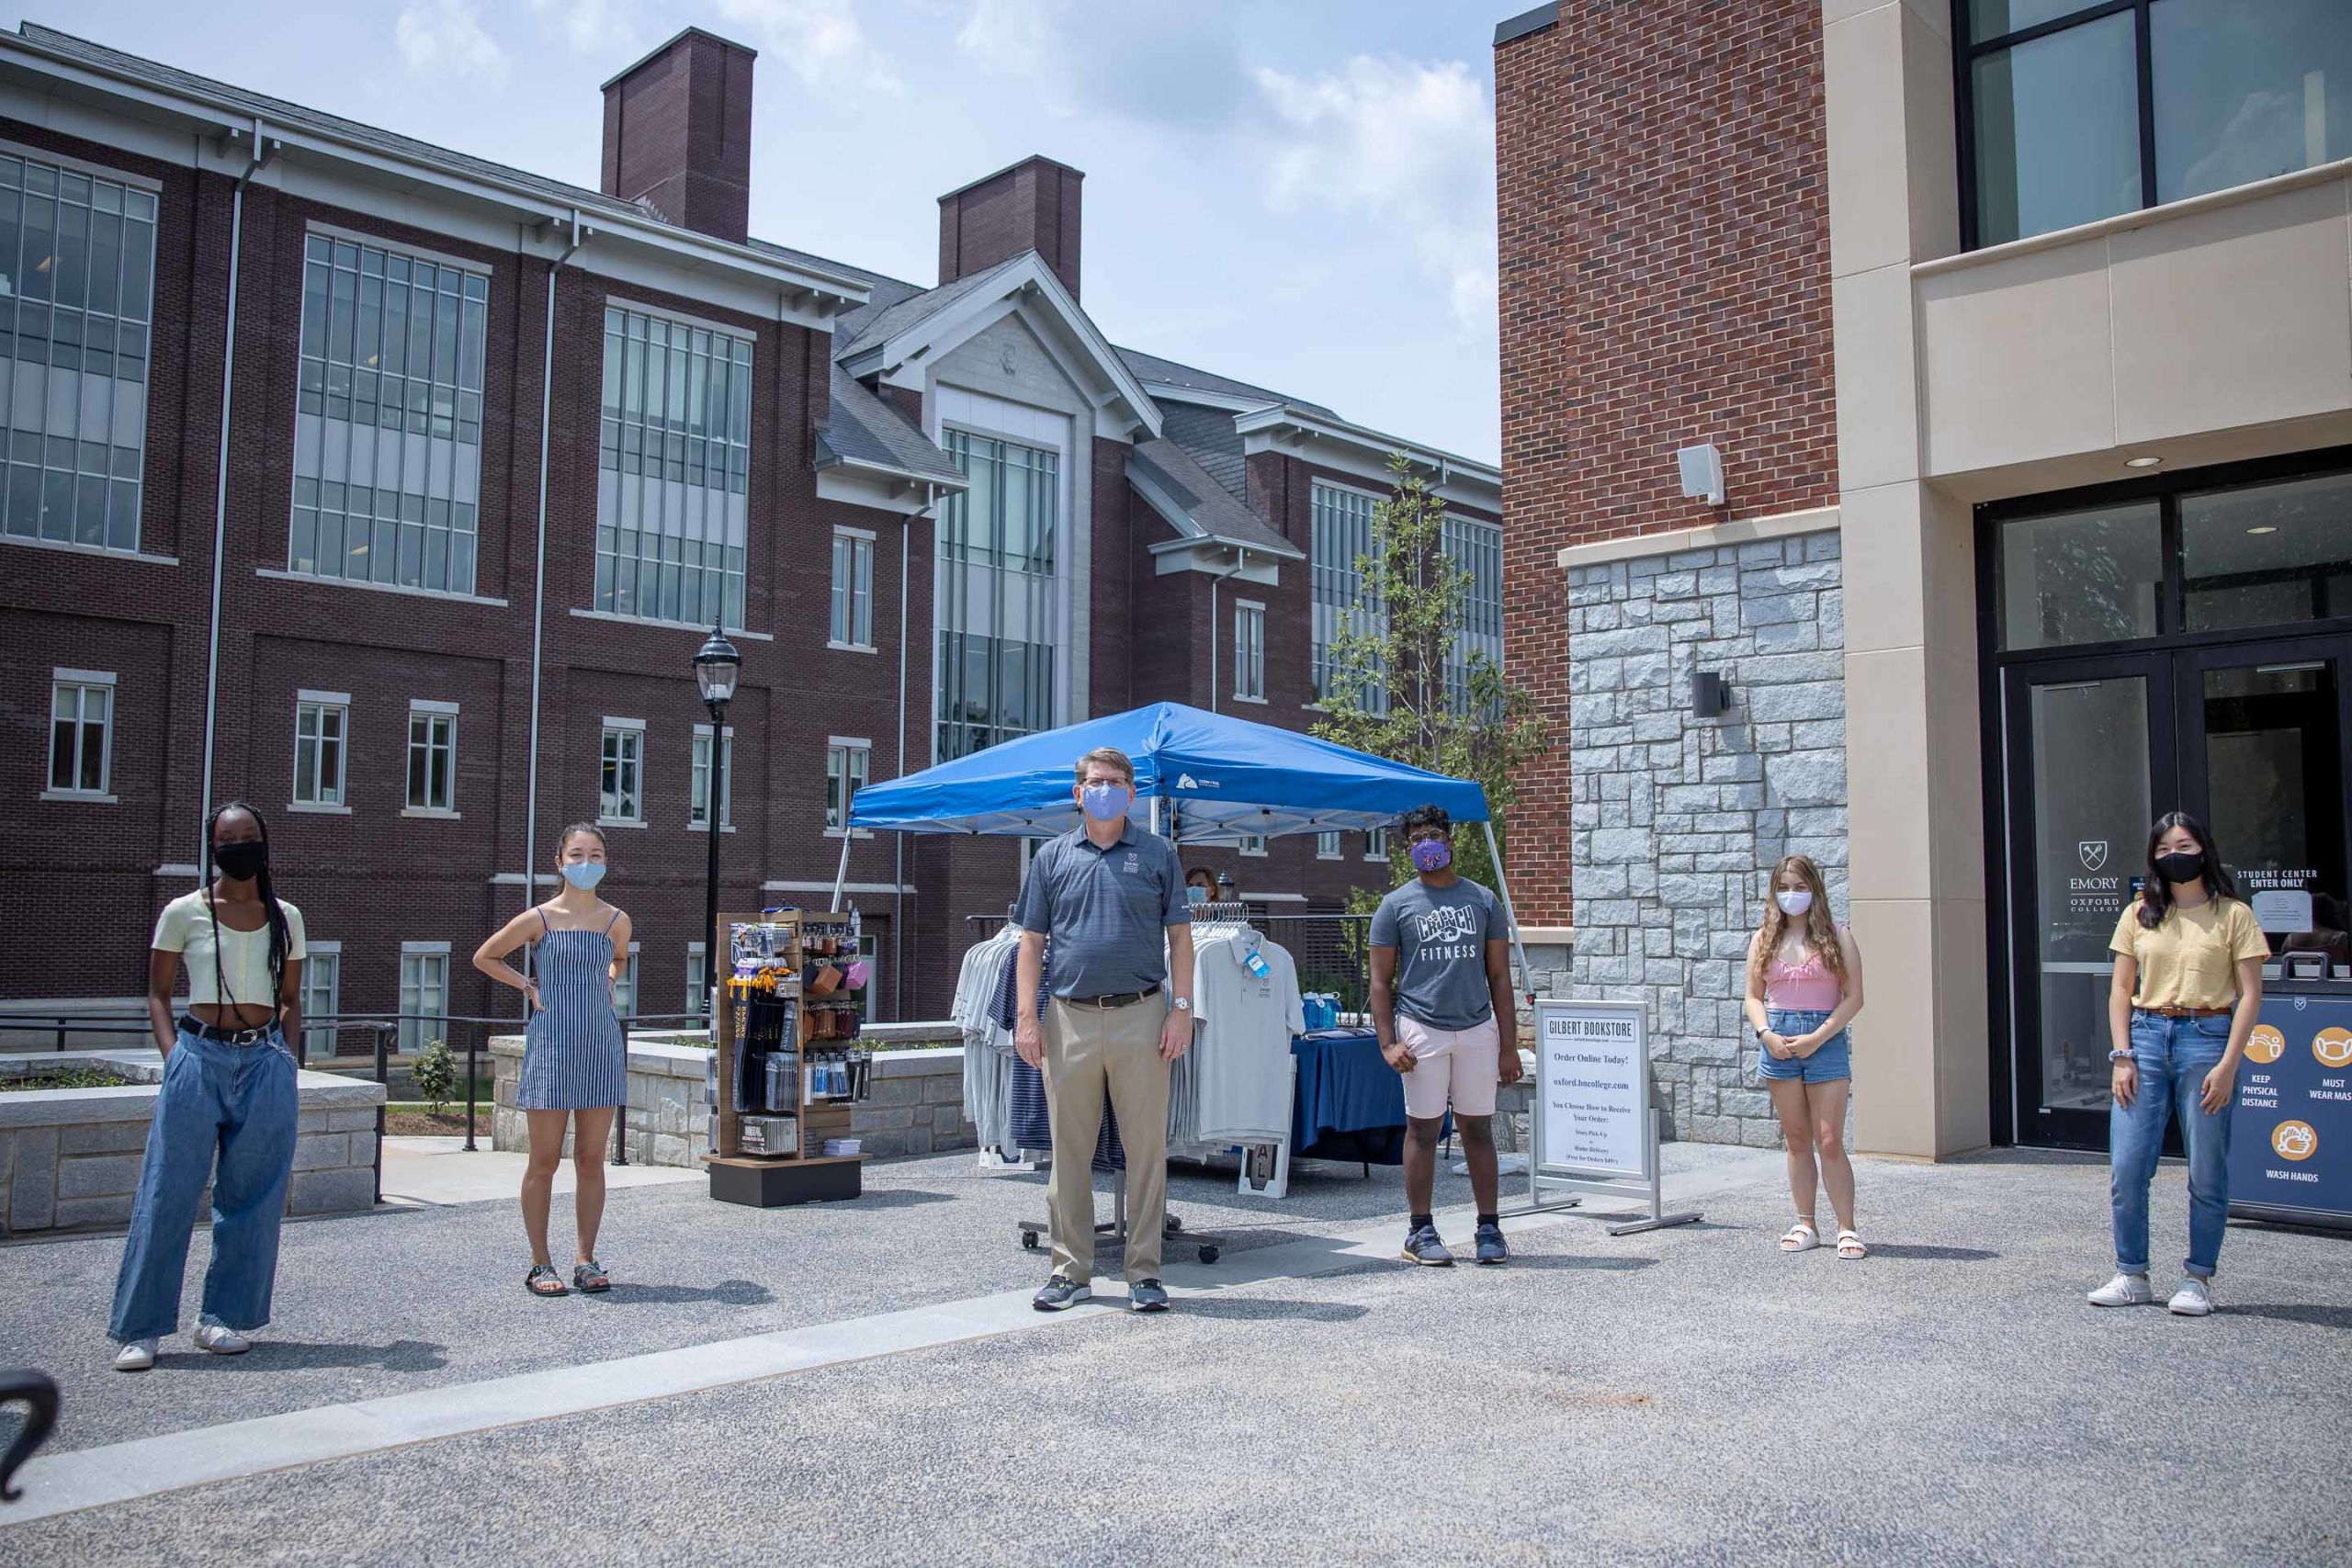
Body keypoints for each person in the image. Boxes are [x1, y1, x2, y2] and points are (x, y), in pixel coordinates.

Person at [110, 803, 308, 1371]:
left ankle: (221, 1318)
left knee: (252, 1198)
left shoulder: (285, 916)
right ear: (212, 846)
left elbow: (293, 998)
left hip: (263, 1059)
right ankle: (142, 1328)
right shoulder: (183, 911)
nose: (239, 846)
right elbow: (157, 991)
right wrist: (175, 1057)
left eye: (249, 837)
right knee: (167, 1192)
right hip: (198, 1057)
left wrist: (286, 1059)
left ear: (264, 845)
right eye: (229, 838)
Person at [1013, 747, 1194, 1314]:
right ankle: (1071, 1272)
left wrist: (1182, 1008)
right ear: (1077, 793)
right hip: (1068, 1017)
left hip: (1143, 1013)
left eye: (1115, 781)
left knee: (1146, 1151)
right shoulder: (1051, 857)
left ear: (1132, 792)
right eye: (1095, 782)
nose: (1105, 789)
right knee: (1069, 1152)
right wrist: (1025, 1018)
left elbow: (1182, 941)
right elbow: (1030, 943)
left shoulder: (1159, 855)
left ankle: (1145, 1273)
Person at [2091, 811, 2267, 1316]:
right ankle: (2132, 1274)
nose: (2175, 854)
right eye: (2165, 847)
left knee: (2207, 1170)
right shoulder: (2140, 912)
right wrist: (2121, 1054)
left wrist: (2231, 1063)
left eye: (2184, 844)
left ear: (2204, 850)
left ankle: (2198, 1279)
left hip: (2207, 1039)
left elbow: (2250, 996)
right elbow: (2121, 988)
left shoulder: (2234, 915)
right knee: (2127, 1167)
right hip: (2145, 1038)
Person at [473, 824, 632, 1298]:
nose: (588, 862)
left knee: (591, 1160)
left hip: (601, 1045)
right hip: (551, 1045)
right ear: (559, 862)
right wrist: (526, 985)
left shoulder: (616, 920)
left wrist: (608, 975)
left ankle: (586, 1259)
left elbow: (618, 960)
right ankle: (540, 1263)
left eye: (596, 854)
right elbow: (487, 956)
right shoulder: (539, 918)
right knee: (543, 1161)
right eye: (578, 854)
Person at [1370, 804, 1521, 1267]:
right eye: (1416, 839)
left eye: (1433, 835)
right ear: (1407, 847)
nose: (1426, 844)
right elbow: (1380, 981)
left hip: (1477, 1028)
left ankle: (1489, 1228)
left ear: (1450, 840)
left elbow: (1500, 977)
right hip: (1421, 1029)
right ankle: (1420, 1230)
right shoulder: (1395, 905)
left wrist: (1509, 1046)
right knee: (1423, 1129)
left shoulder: (1482, 900)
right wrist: (1387, 1043)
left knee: (1478, 1128)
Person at [1743, 854, 1867, 1260]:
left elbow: (1854, 999)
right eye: (1784, 888)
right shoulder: (1764, 938)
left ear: (1814, 889)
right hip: (1777, 1041)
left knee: (1829, 1141)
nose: (1791, 896)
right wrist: (1765, 1035)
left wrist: (1818, 1036)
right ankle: (1806, 1223)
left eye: (1799, 887)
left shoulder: (1838, 935)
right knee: (1797, 1140)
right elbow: (1753, 997)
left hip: (1824, 1041)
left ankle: (1846, 1228)